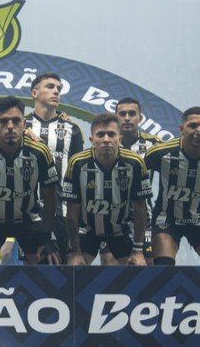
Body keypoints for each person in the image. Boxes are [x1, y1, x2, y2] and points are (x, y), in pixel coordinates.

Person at [0, 96, 61, 265]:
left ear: (24, 124)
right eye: (3, 121)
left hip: (29, 219)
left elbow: (50, 200)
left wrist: (45, 239)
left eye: (16, 121)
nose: (10, 127)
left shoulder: (39, 151)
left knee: (49, 261)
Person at [144, 106, 200, 266]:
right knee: (163, 269)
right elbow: (137, 178)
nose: (199, 130)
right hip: (167, 218)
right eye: (193, 126)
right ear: (182, 129)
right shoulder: (160, 153)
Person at [63, 113, 150, 266]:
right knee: (73, 270)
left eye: (111, 134)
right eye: (100, 135)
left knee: (139, 269)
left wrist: (137, 251)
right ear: (92, 140)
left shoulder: (135, 162)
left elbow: (140, 208)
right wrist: (75, 252)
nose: (106, 140)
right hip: (87, 230)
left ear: (120, 139)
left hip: (120, 229)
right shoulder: (77, 163)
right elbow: (72, 212)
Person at [25, 73, 84, 262]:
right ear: (34, 93)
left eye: (58, 88)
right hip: (30, 209)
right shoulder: (18, 125)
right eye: (49, 87)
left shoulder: (72, 128)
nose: (56, 91)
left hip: (63, 209)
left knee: (66, 269)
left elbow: (78, 172)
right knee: (32, 266)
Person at [101, 96, 165, 264]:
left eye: (132, 113)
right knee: (109, 268)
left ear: (140, 117)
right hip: (110, 217)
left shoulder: (154, 144)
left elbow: (171, 175)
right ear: (116, 117)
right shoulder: (105, 142)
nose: (127, 118)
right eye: (122, 114)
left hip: (144, 217)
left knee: (148, 267)